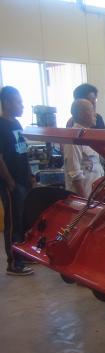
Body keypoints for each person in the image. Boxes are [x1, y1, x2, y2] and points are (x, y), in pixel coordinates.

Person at [0, 86, 33, 276]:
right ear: (7, 102)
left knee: (24, 220)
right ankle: (13, 263)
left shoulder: (16, 123)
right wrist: (10, 182)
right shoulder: (1, 125)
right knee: (13, 223)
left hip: (23, 180)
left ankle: (23, 253)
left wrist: (30, 175)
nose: (22, 105)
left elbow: (23, 152)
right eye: (18, 102)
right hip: (12, 184)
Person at [64, 99, 104, 197]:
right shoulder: (73, 138)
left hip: (94, 195)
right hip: (84, 197)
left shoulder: (88, 135)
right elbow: (74, 173)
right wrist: (84, 201)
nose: (95, 114)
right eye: (92, 110)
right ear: (81, 114)